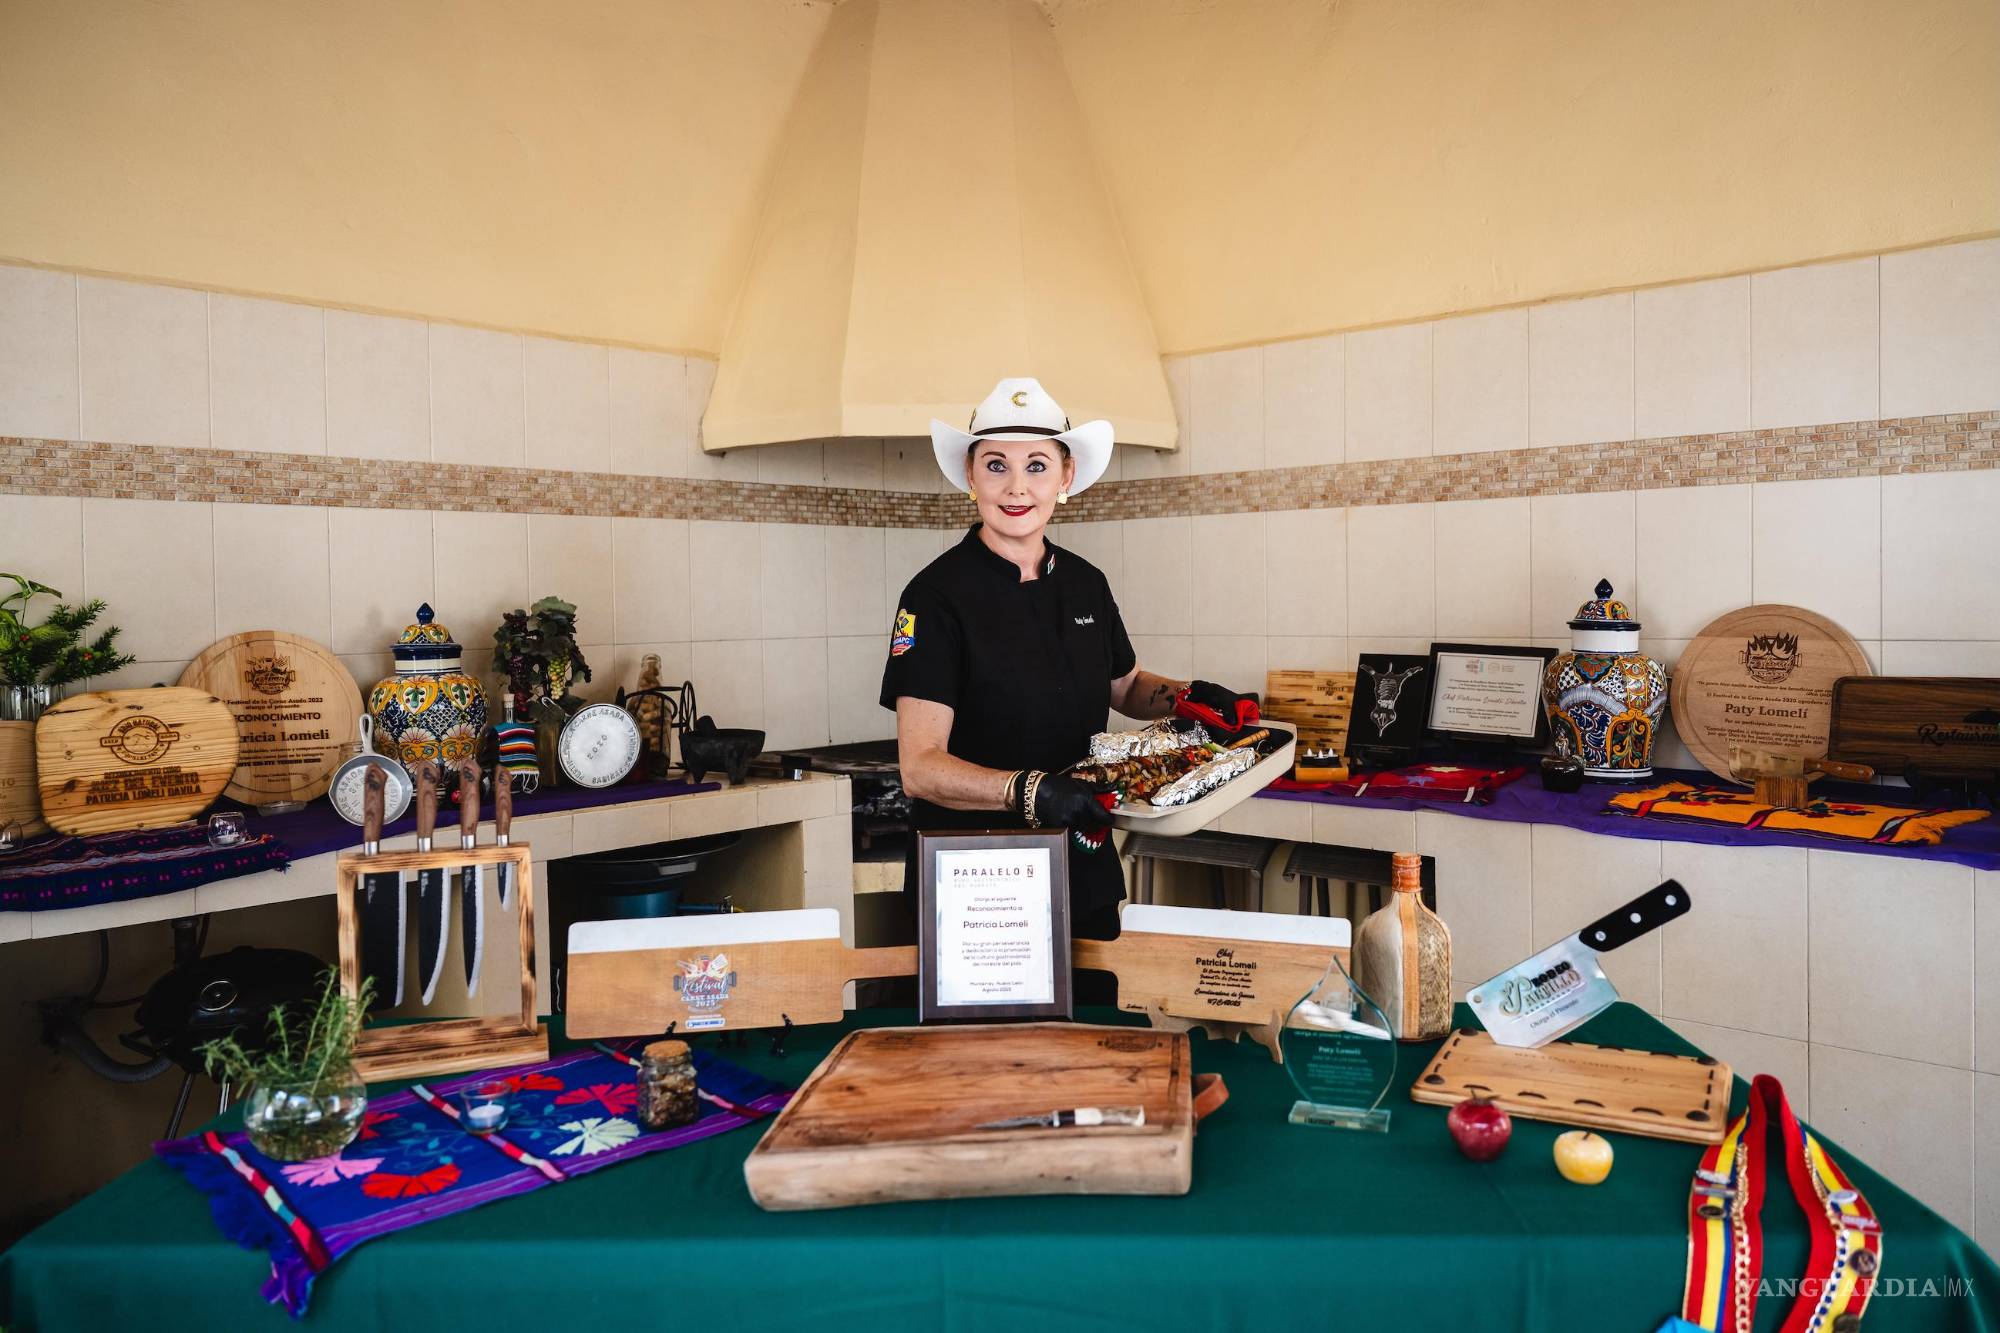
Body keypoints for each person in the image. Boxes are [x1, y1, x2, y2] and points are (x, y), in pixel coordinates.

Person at [879, 376, 1259, 942]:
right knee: (988, 1035)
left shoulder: (1085, 583)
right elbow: (920, 768)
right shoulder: (935, 597)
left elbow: (1124, 685)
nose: (1016, 487)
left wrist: (1186, 696)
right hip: (977, 885)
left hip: (1082, 863)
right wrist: (1031, 791)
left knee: (1098, 1022)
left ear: (1066, 477)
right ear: (970, 476)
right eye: (995, 465)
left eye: (1036, 465)